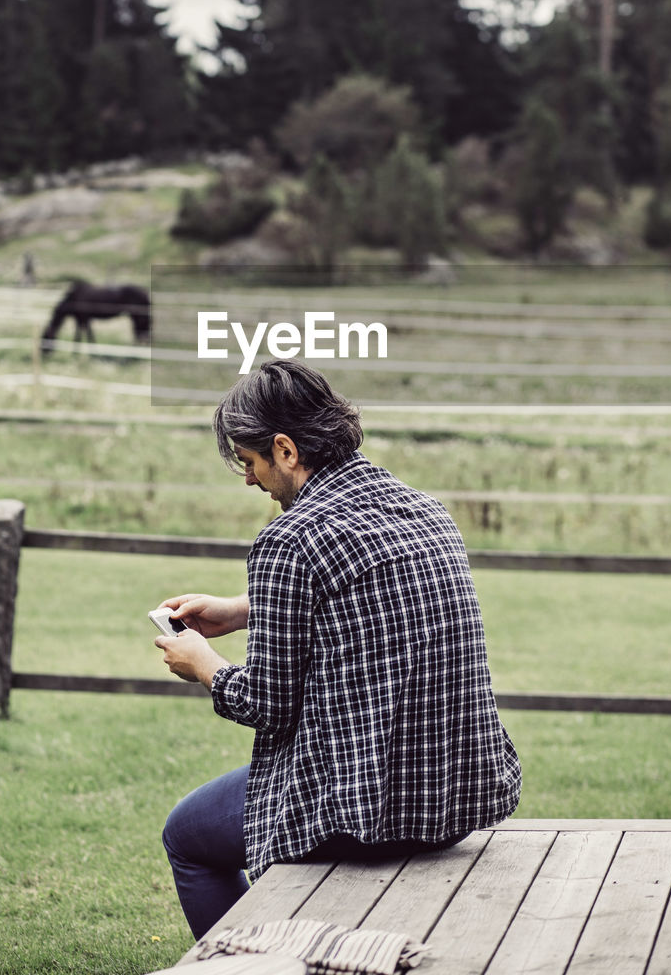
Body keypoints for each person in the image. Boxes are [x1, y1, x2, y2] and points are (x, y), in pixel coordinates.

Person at [154, 359, 521, 939]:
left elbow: (265, 705)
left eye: (250, 463)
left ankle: (253, 960)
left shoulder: (291, 537)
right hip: (457, 795)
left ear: (285, 449)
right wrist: (246, 607)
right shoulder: (423, 510)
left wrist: (203, 664)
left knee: (187, 835)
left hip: (362, 810)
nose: (250, 480)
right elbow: (373, 597)